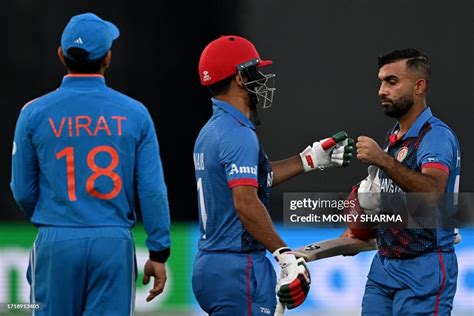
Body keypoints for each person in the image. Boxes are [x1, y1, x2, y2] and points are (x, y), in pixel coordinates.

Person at [10, 13, 171, 315]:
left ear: (61, 55)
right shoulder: (135, 113)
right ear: (107, 58)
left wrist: (56, 220)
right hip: (112, 243)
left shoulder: (33, 113)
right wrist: (158, 251)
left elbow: (22, 190)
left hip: (56, 239)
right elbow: (151, 190)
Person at [192, 35, 354, 315]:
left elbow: (254, 180)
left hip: (212, 265)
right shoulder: (237, 134)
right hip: (238, 267)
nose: (262, 80)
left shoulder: (213, 130)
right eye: (256, 71)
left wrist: (308, 160)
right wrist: (284, 254)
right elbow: (245, 202)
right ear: (241, 78)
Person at [348, 49, 461, 315]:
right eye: (380, 81)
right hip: (385, 267)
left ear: (419, 86)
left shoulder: (435, 136)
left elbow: (433, 193)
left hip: (424, 268)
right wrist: (359, 229)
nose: (381, 90)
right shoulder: (395, 135)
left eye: (392, 81)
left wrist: (382, 160)